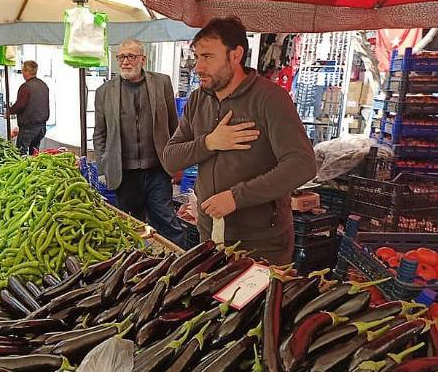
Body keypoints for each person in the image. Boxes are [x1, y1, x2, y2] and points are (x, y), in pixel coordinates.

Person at [162, 17, 316, 265]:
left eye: (208, 57)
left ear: (236, 55)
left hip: (261, 242)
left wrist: (236, 197)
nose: (198, 67)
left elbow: (302, 164)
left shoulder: (270, 99)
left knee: (257, 303)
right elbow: (171, 159)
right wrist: (210, 142)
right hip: (209, 234)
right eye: (197, 56)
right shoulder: (197, 100)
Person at [93, 39, 185, 247]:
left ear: (143, 59)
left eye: (131, 56)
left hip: (157, 171)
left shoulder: (162, 83)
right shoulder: (104, 92)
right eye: (121, 57)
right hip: (124, 175)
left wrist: (177, 163)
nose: (125, 62)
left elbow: (174, 126)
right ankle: (141, 268)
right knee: (131, 227)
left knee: (168, 224)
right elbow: (100, 134)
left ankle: (179, 266)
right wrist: (103, 168)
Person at [9, 60, 49, 155]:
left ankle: (25, 169)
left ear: (27, 72)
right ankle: (34, 168)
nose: (22, 73)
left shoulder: (26, 87)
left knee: (20, 153)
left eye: (23, 70)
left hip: (28, 128)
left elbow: (20, 104)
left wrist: (9, 111)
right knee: (34, 152)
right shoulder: (43, 85)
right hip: (41, 127)